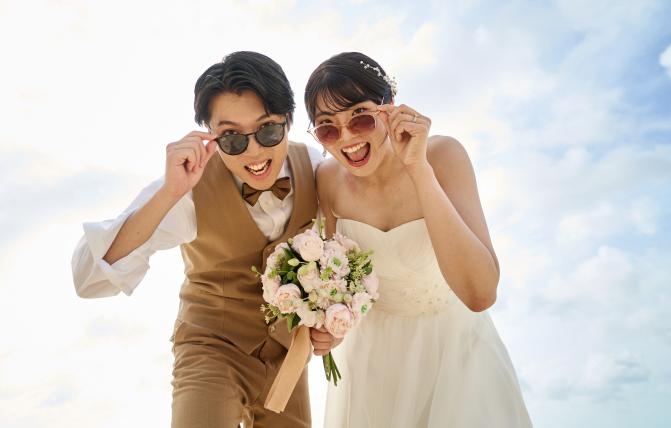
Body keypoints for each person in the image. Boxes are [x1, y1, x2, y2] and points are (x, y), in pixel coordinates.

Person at [71, 51, 322, 428]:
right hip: (211, 350)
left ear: (289, 120)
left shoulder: (315, 168)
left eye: (268, 129)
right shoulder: (186, 186)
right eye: (231, 137)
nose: (254, 151)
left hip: (288, 357)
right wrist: (170, 193)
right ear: (209, 134)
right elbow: (89, 279)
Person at [304, 52, 532, 427]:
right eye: (327, 128)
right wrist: (332, 330)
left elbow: (480, 294)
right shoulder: (327, 180)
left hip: (455, 354)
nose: (346, 138)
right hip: (374, 366)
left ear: (390, 107)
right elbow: (339, 287)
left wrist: (418, 168)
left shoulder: (443, 155)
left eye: (360, 118)